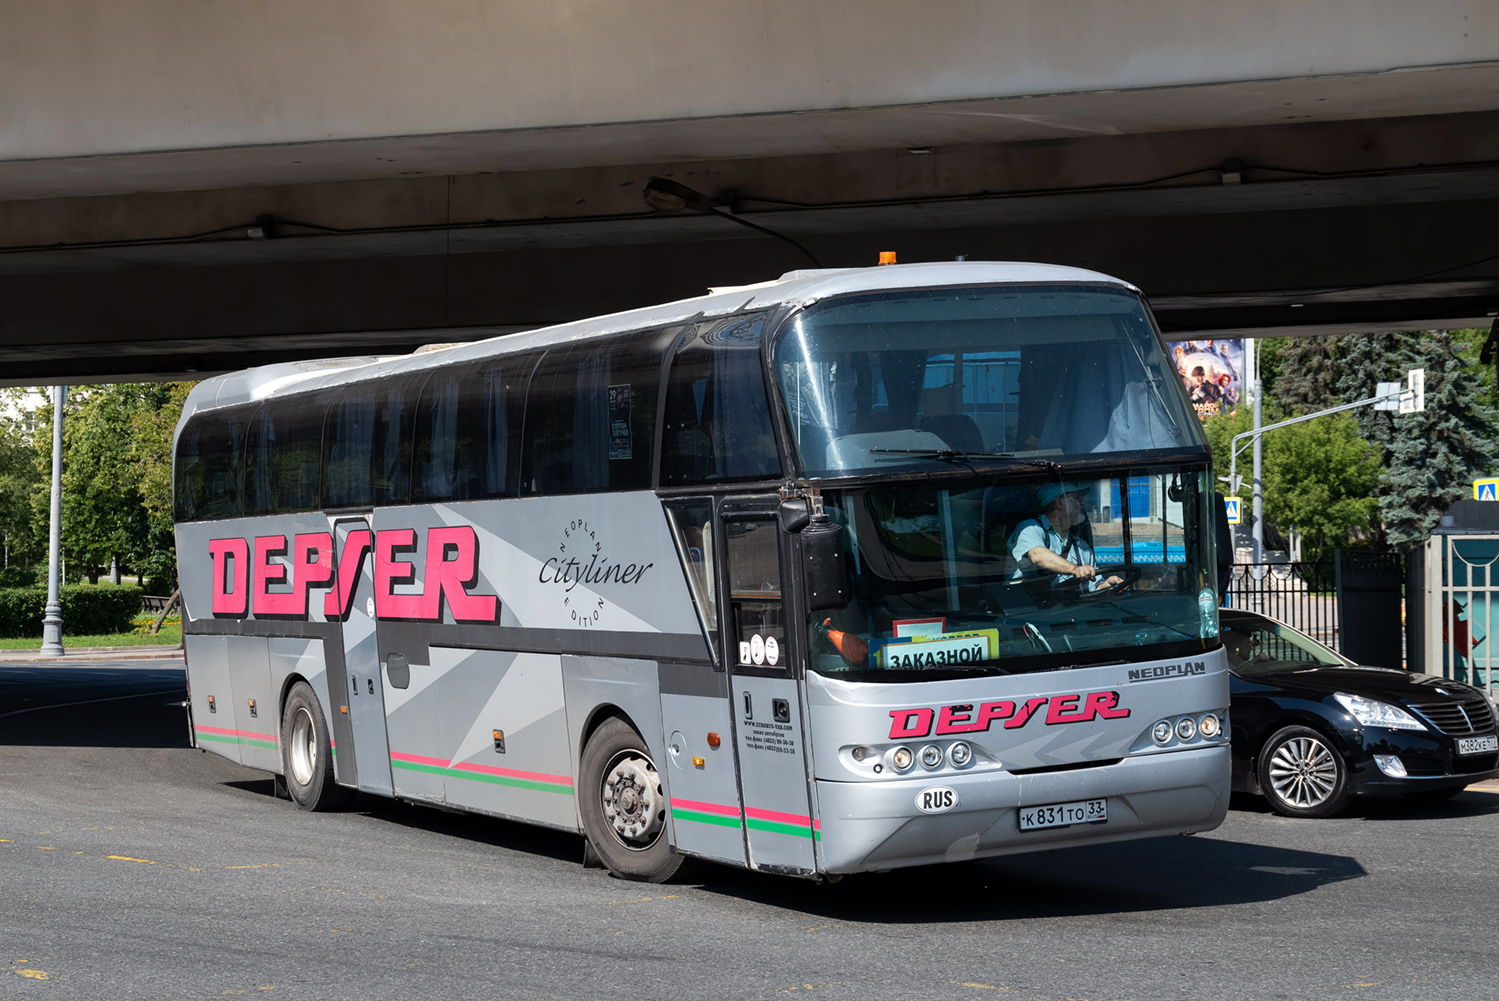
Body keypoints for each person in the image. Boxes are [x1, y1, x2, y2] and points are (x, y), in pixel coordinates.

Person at [1008, 482, 1124, 591]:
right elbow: (1037, 555)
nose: (1083, 503)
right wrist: (1075, 569)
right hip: (1023, 606)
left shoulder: (1081, 546)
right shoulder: (1029, 528)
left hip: (1063, 608)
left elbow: (1093, 589)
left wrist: (1107, 586)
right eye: (1077, 498)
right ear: (1059, 502)